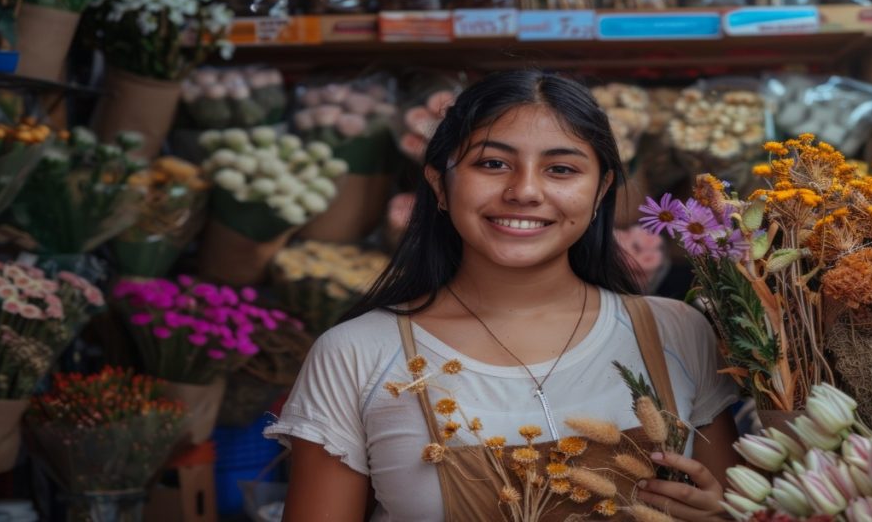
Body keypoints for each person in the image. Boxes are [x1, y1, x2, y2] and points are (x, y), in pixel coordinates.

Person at [265, 70, 741, 521]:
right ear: (440, 187)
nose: (525, 191)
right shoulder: (355, 354)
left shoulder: (675, 331)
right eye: (492, 164)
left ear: (602, 192)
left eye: (560, 168)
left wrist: (718, 514)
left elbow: (731, 504)